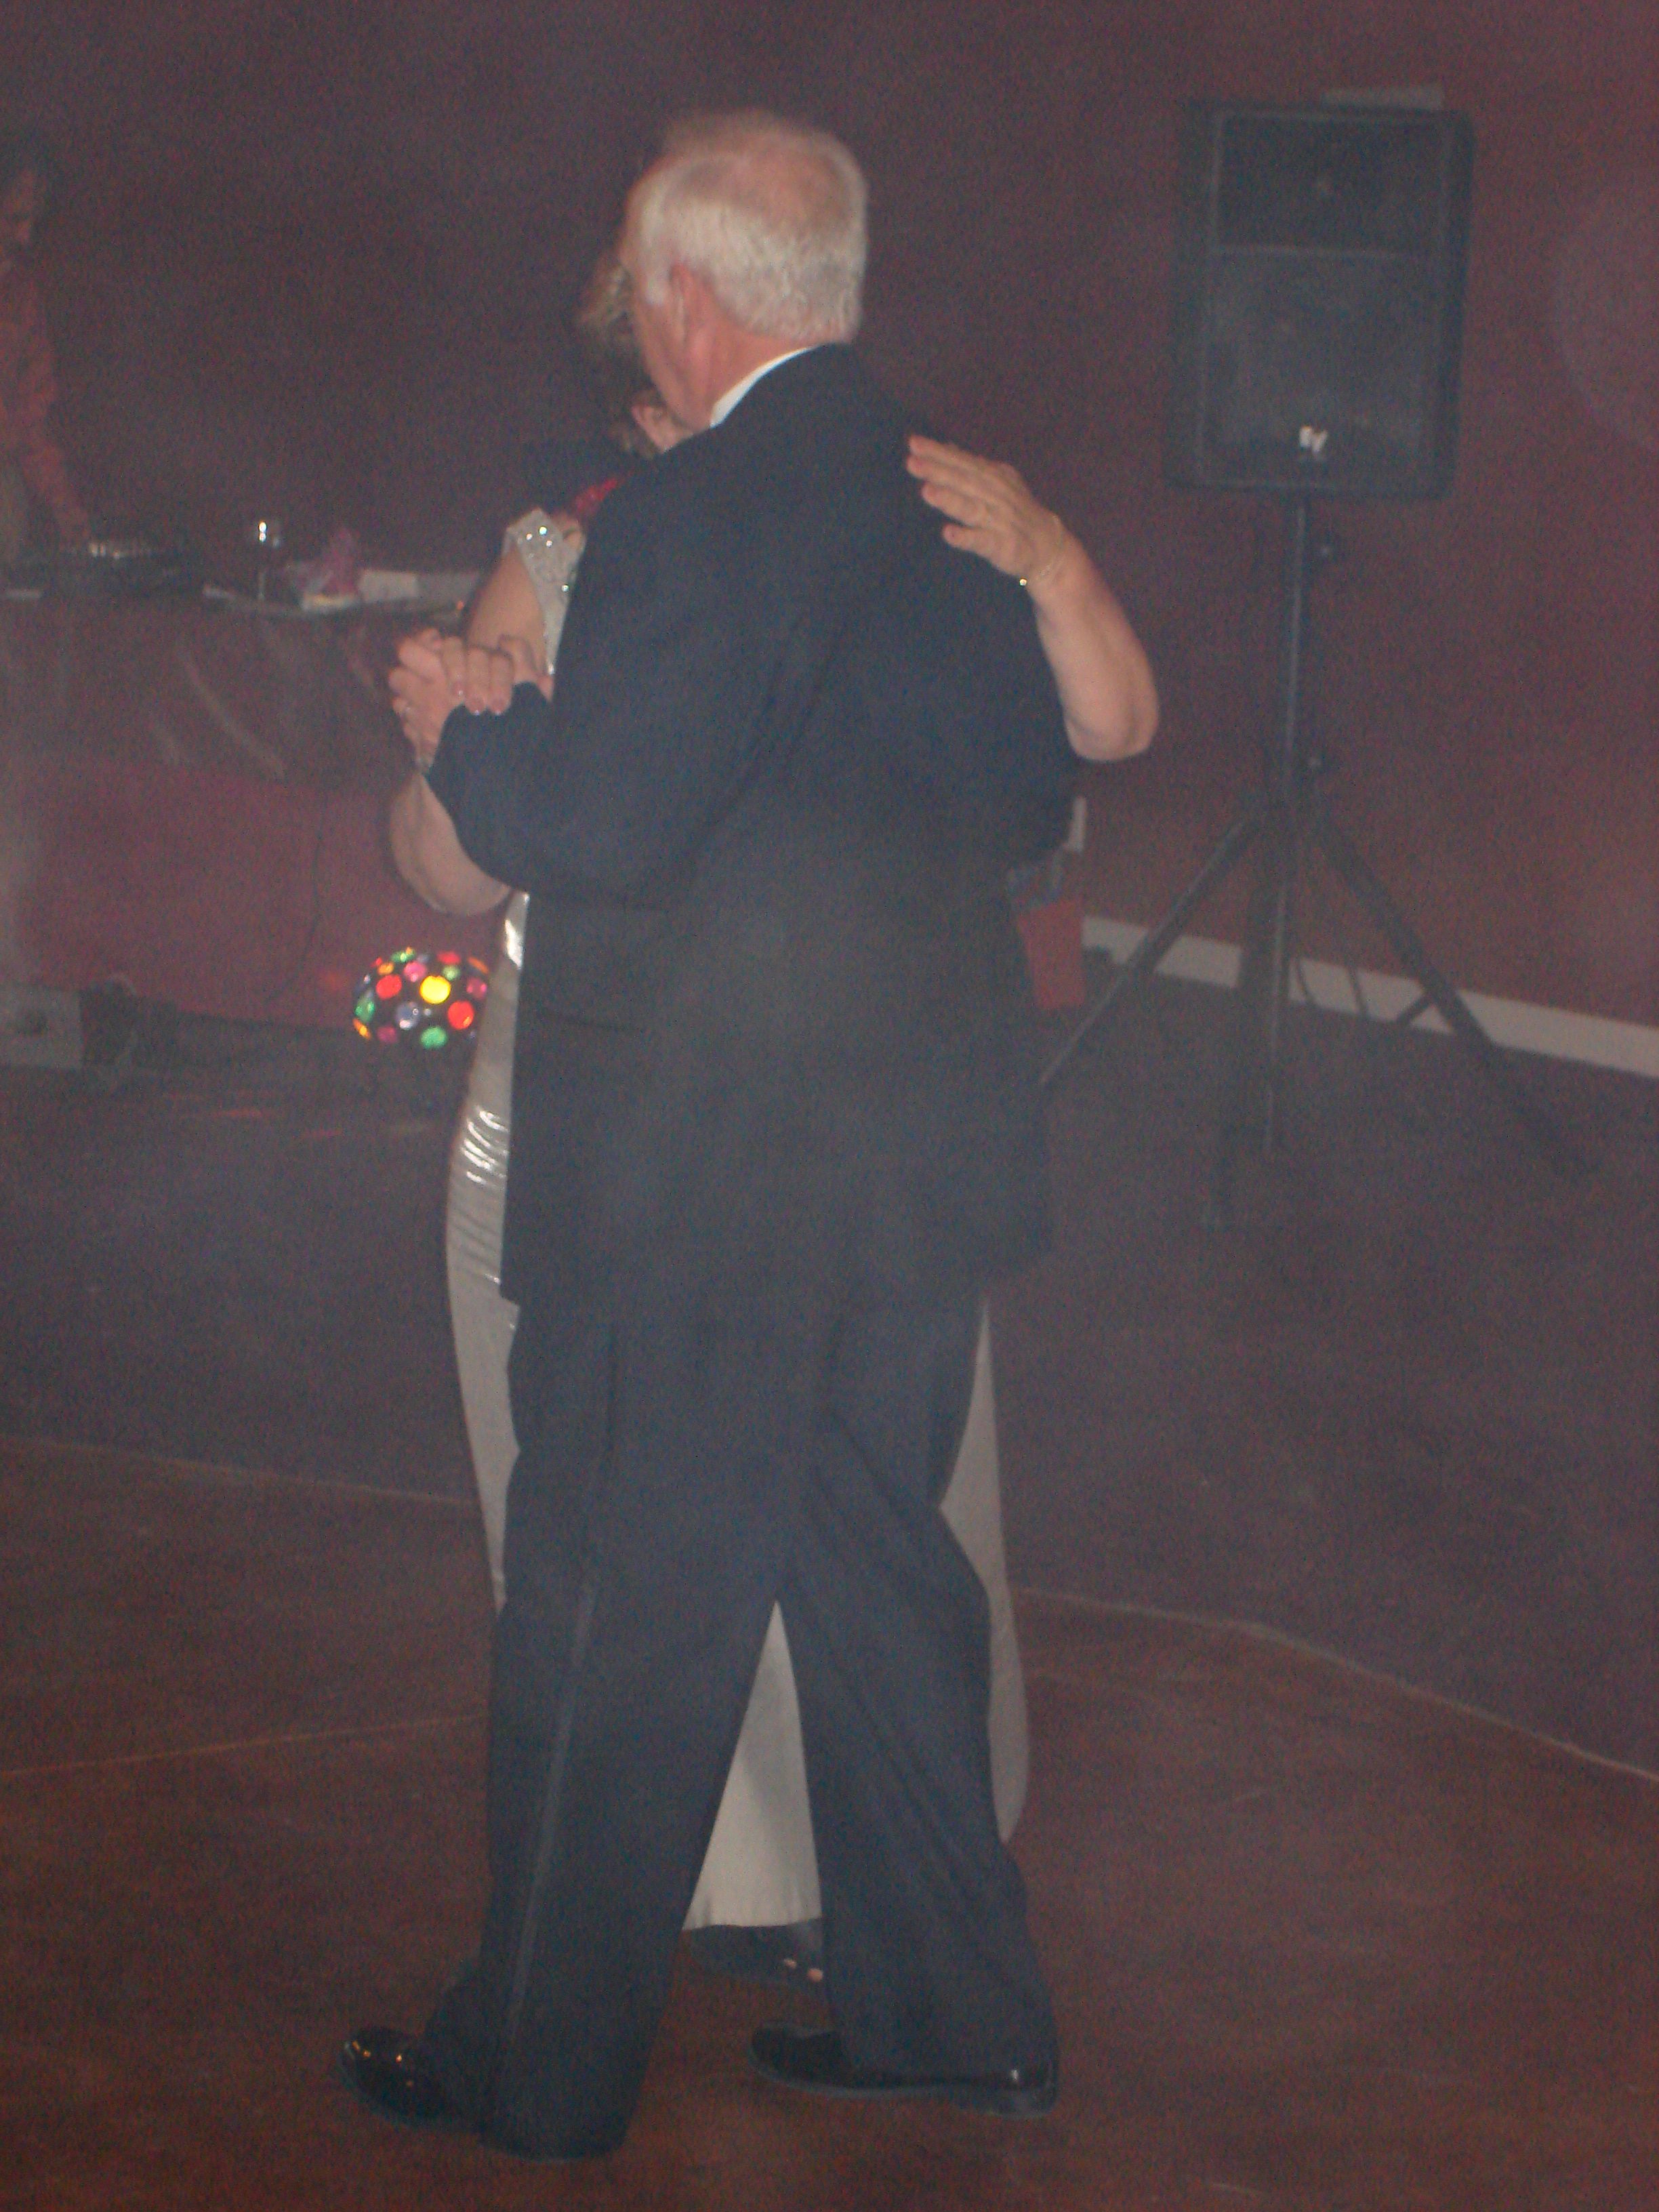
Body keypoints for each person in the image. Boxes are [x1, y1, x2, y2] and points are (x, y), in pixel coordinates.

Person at [348, 110, 1151, 2160]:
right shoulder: (955, 503)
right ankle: (955, 2015)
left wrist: (467, 733)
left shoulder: (689, 516)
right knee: (881, 1579)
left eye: (646, 274)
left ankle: (533, 2069)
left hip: (698, 1172)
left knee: (614, 1612)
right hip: (914, 1161)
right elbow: (1024, 797)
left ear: (688, 299)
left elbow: (604, 833)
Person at [0, 130, 87, 565]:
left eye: (33, 221)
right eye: (15, 218)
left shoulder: (23, 295)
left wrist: (67, 512)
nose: (25, 236)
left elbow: (33, 414)